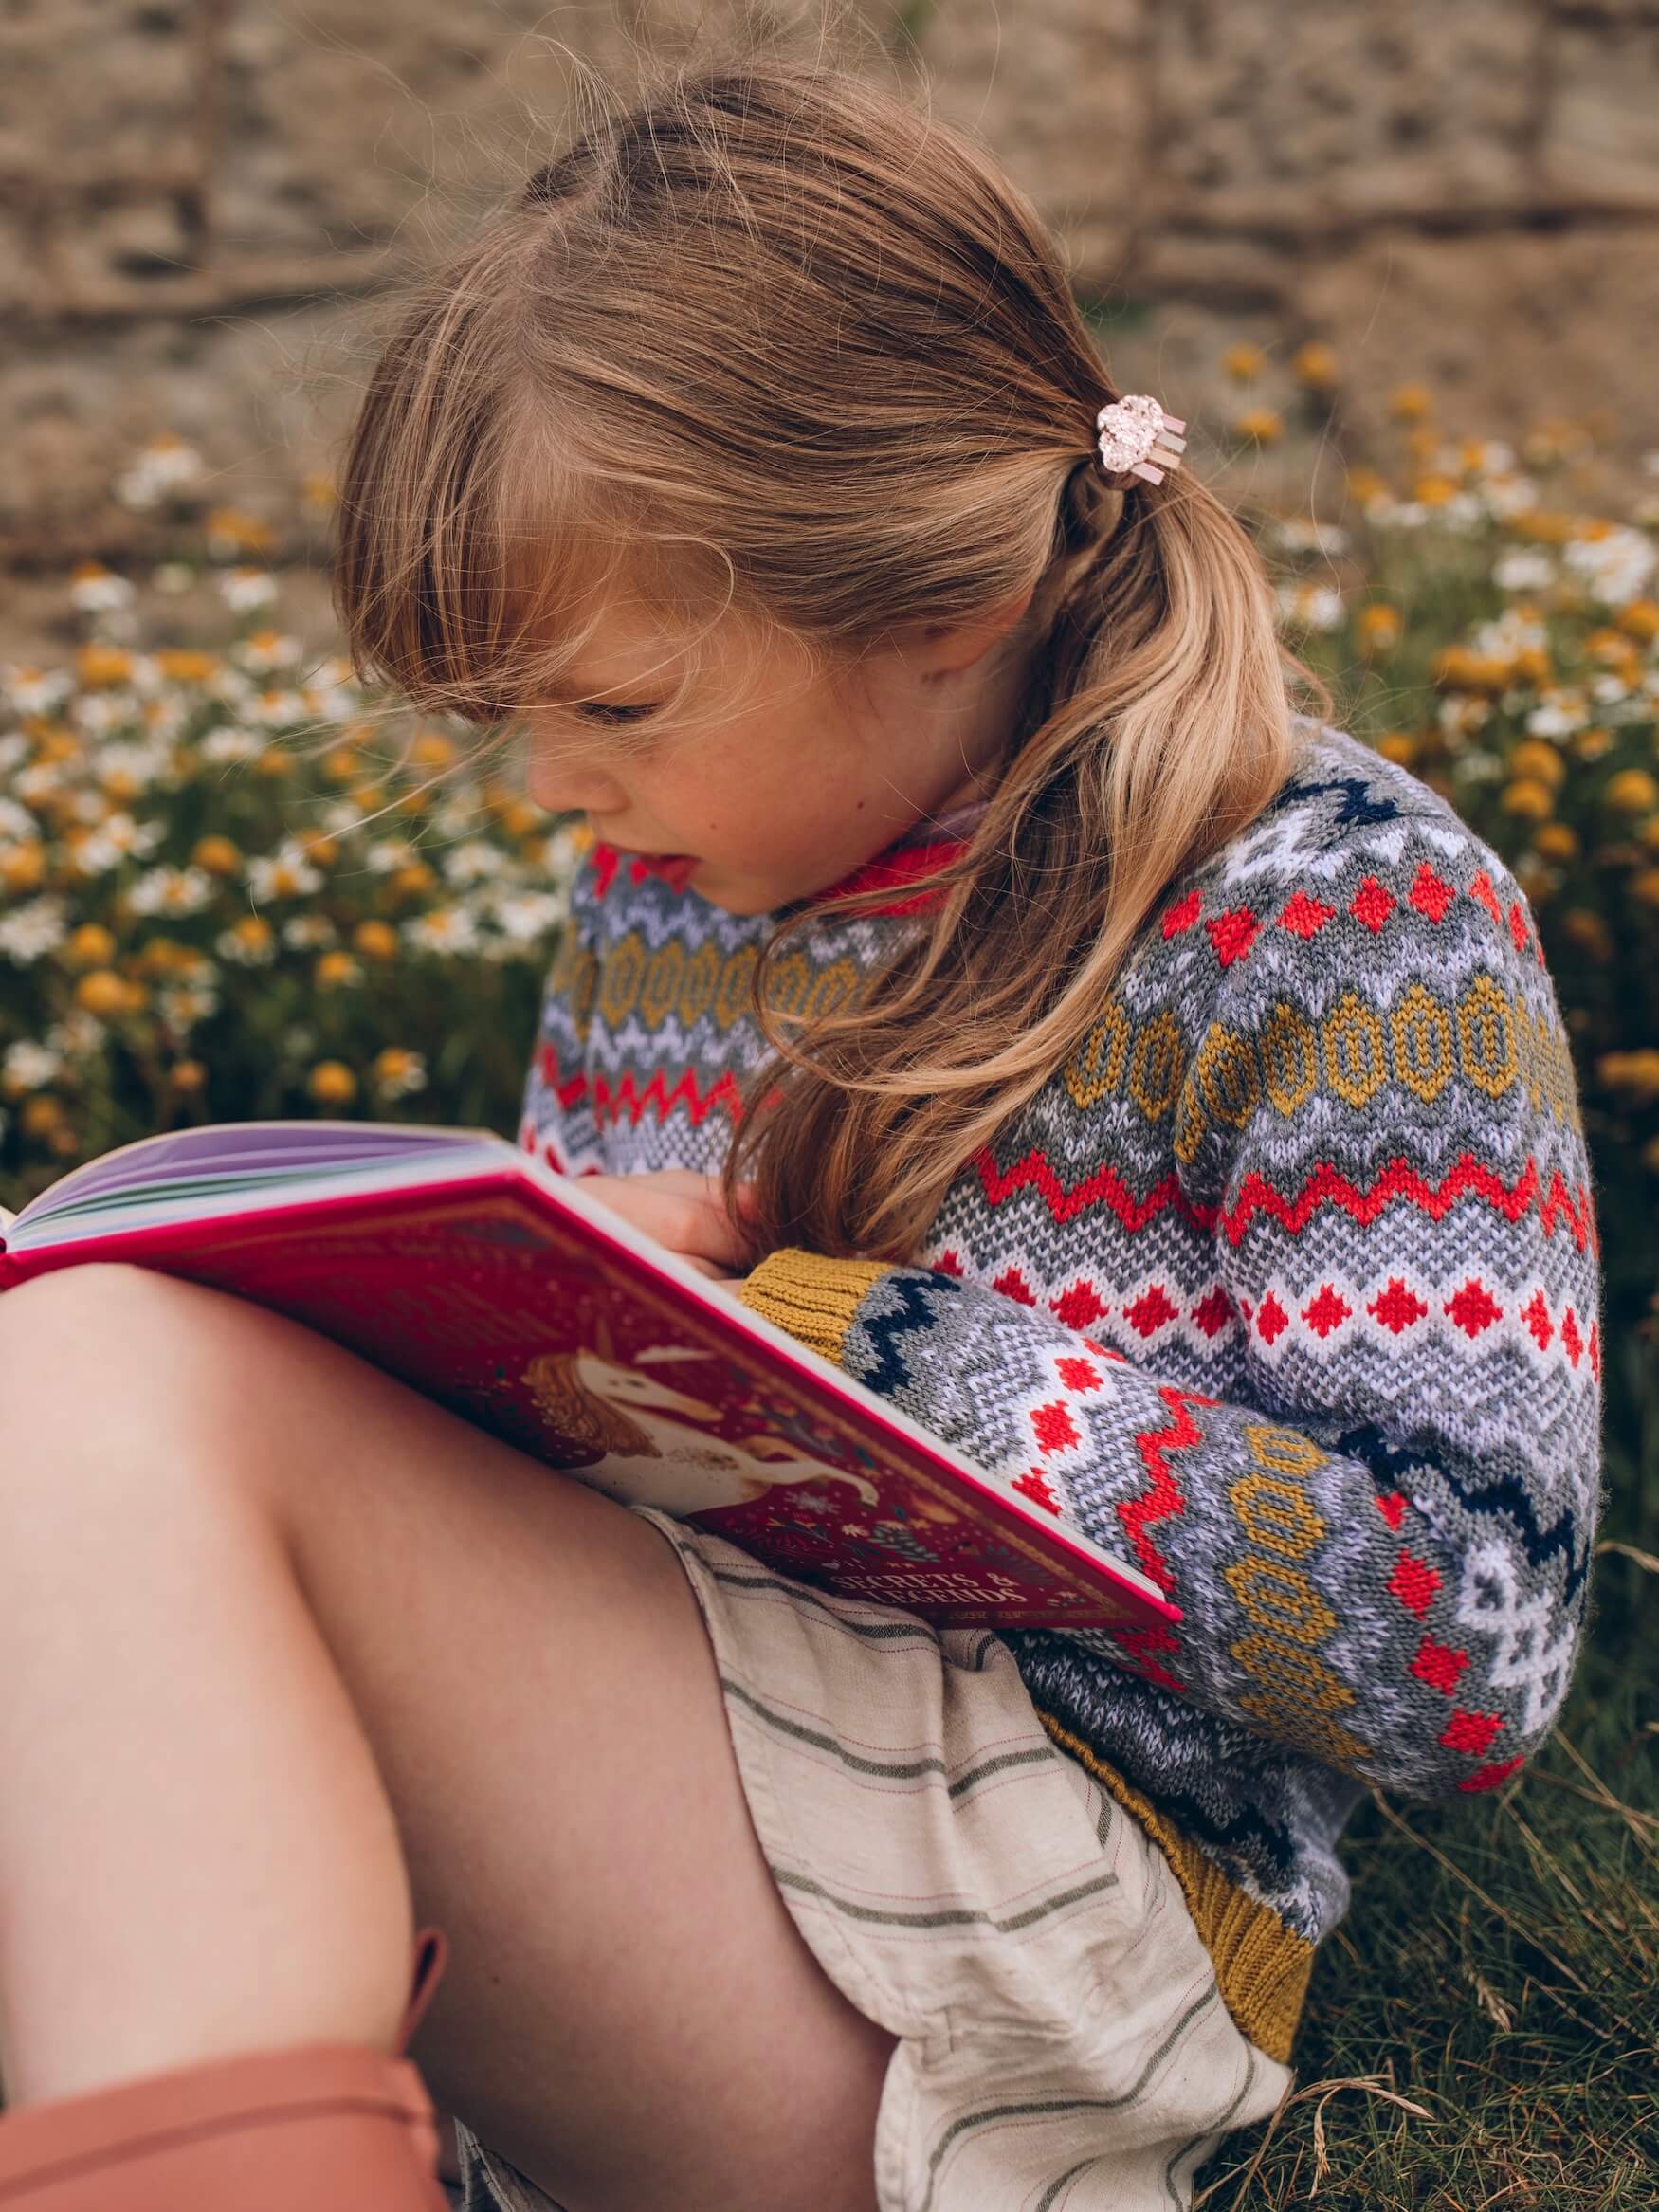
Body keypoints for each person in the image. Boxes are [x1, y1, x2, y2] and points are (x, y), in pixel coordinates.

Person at [0, 48, 1602, 2212]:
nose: (559, 789)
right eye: (518, 724)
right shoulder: (662, 904)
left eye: (616, 709)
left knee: (97, 1388)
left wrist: (829, 1338)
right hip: (697, 1814)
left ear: (929, 607)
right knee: (94, 1388)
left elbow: (1465, 1639)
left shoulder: (1332, 918)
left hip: (1041, 1938)